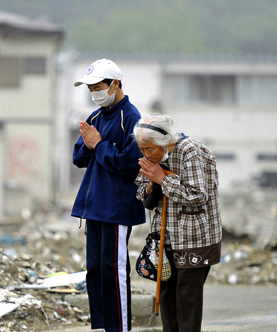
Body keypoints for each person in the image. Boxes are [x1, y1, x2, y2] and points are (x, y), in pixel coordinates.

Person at [71, 58, 145, 332]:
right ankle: (103, 326)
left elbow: (129, 163)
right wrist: (92, 145)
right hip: (93, 208)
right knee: (95, 271)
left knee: (113, 271)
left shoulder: (132, 118)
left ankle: (120, 328)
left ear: (115, 84)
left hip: (116, 208)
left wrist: (98, 144)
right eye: (89, 88)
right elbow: (78, 157)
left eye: (97, 86)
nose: (94, 92)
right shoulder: (95, 117)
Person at [133, 114, 222, 332]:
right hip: (164, 237)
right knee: (167, 296)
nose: (145, 155)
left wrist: (163, 178)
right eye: (141, 149)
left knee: (187, 299)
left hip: (194, 237)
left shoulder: (189, 150)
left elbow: (198, 195)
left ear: (164, 141)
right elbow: (139, 190)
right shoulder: (152, 158)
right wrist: (151, 184)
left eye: (149, 149)